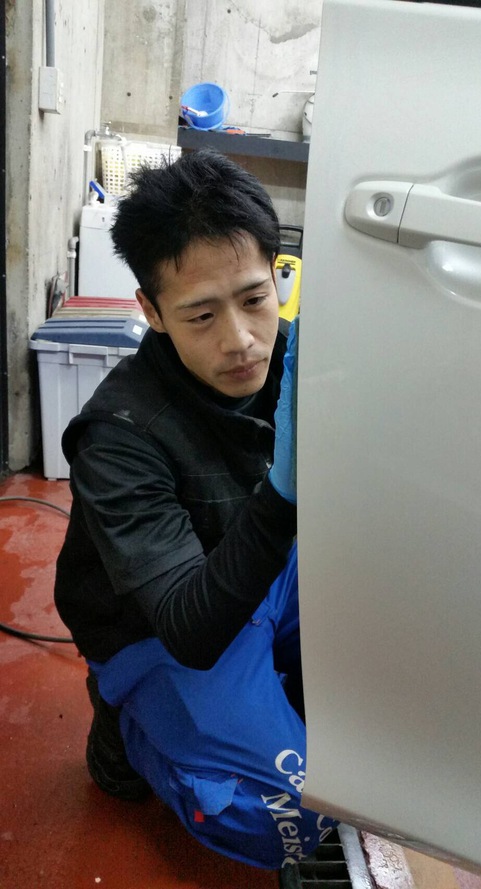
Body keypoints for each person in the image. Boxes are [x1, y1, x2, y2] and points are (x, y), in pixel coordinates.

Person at [54, 148, 337, 870]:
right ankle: (126, 732)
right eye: (202, 315)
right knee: (292, 818)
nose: (240, 341)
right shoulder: (118, 435)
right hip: (161, 628)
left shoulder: (296, 358)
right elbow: (191, 630)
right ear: (151, 311)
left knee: (401, 650)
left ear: (278, 276)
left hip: (262, 570)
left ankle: (264, 688)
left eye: (255, 299)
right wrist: (287, 491)